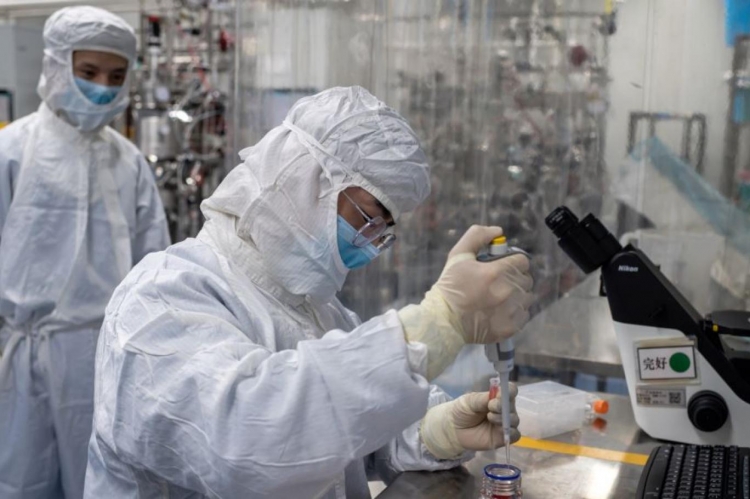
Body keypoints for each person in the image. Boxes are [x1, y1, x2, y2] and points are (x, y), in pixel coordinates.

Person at [84, 86, 533, 498]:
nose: (371, 244)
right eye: (368, 218)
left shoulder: (315, 310)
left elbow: (343, 430)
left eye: (383, 231)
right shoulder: (161, 297)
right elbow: (250, 441)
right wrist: (438, 323)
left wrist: (435, 432)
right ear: (304, 179)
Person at [0, 6, 170, 498]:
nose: (102, 87)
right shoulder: (11, 151)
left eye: (116, 76)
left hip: (105, 360)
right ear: (57, 66)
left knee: (99, 481)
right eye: (88, 71)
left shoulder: (128, 162)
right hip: (22, 359)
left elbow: (154, 268)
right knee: (20, 479)